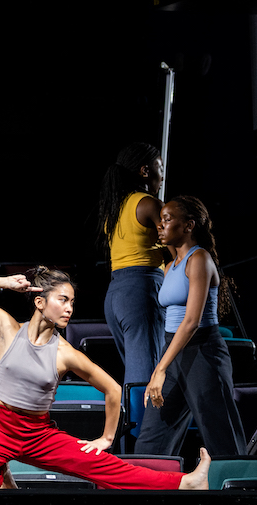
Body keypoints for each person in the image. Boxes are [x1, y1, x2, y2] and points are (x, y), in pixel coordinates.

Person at [0, 267, 212, 490]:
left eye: (72, 302)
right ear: (40, 303)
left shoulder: (66, 354)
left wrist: (106, 439)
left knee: (106, 468)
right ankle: (1, 470)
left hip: (37, 434)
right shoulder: (8, 329)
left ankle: (184, 482)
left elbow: (112, 389)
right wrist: (6, 282)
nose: (69, 309)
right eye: (63, 300)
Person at [134, 196, 246, 457]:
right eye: (160, 220)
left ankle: (237, 494)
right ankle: (148, 494)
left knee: (221, 438)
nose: (160, 226)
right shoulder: (169, 266)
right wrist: (162, 366)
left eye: (167, 219)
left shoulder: (200, 259)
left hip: (203, 352)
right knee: (151, 441)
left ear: (189, 225)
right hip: (173, 351)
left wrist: (159, 369)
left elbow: (192, 321)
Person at [97, 142, 167, 387]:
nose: (163, 175)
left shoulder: (115, 209)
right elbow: (177, 248)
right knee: (148, 377)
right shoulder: (149, 204)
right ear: (145, 171)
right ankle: (143, 427)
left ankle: (138, 424)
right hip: (142, 291)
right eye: (160, 168)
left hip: (116, 294)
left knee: (138, 373)